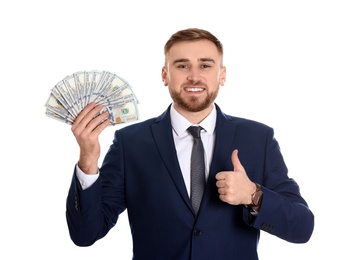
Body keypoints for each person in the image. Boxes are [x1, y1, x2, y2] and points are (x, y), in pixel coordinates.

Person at [66, 28, 314, 260]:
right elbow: (85, 234)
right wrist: (87, 159)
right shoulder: (130, 143)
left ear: (222, 75)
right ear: (165, 75)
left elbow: (302, 227)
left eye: (205, 65)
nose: (194, 76)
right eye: (182, 65)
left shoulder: (258, 139)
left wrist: (253, 195)